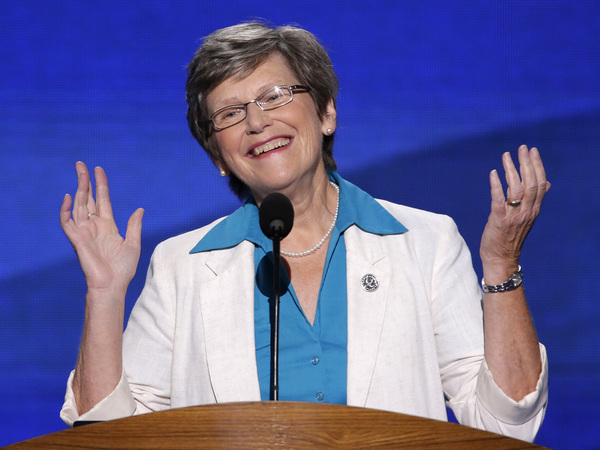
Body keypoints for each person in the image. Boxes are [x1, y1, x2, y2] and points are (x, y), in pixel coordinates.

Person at [59, 22, 549, 441]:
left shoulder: (425, 242)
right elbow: (110, 437)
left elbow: (506, 424)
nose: (256, 121)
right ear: (217, 157)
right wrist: (104, 294)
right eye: (229, 113)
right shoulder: (181, 266)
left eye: (273, 96)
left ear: (326, 112)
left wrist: (502, 266)